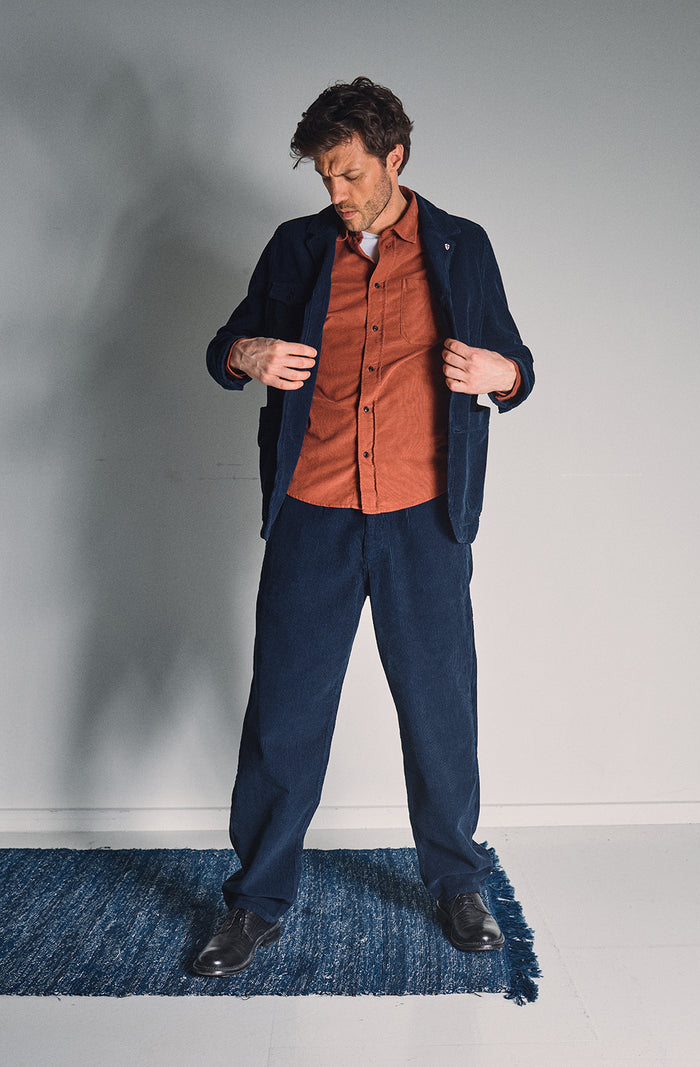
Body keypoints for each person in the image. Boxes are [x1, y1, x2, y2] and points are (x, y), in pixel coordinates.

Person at [193, 77, 534, 977]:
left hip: (425, 517)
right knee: (285, 713)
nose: (334, 194)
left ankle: (458, 883)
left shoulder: (464, 248)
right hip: (313, 513)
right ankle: (256, 902)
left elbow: (518, 366)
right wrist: (247, 352)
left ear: (395, 159)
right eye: (323, 177)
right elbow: (227, 343)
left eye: (348, 174)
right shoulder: (297, 248)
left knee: (438, 708)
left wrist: (499, 371)